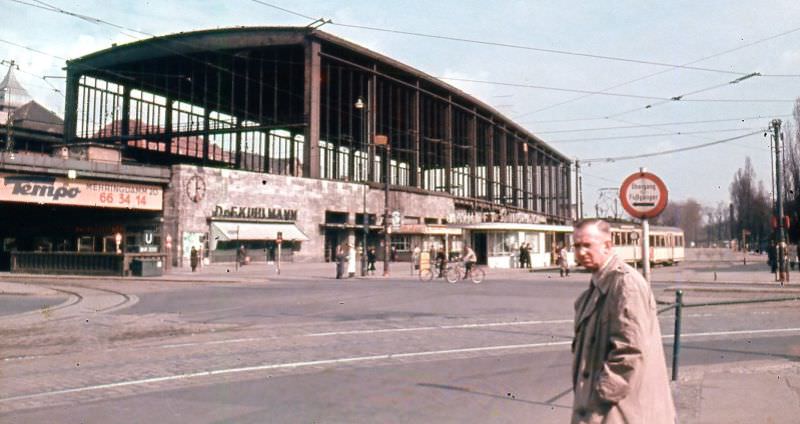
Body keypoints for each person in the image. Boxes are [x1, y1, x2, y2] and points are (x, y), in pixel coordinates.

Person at [571, 219, 675, 423]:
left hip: (620, 412)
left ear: (607, 246)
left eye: (587, 245)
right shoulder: (597, 286)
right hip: (610, 410)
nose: (581, 252)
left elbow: (630, 352)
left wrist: (596, 400)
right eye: (576, 246)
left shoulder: (625, 285)